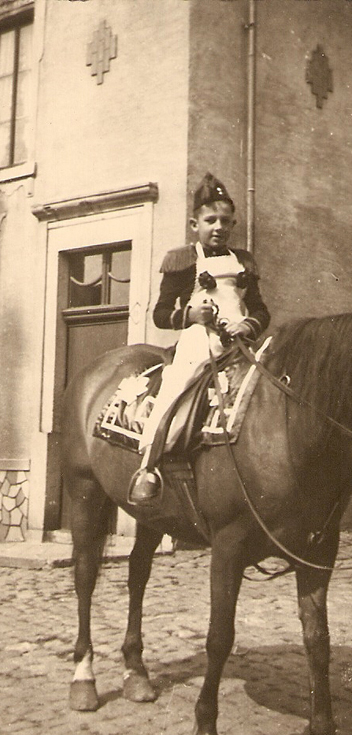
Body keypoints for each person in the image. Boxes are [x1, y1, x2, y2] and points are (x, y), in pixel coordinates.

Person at [128, 172, 270, 503]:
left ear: (233, 223)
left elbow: (262, 310)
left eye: (225, 220)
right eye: (210, 220)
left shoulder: (242, 262)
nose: (218, 227)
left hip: (238, 346)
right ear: (195, 224)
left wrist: (247, 325)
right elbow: (161, 314)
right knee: (175, 391)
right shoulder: (182, 261)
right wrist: (190, 316)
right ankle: (149, 466)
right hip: (198, 345)